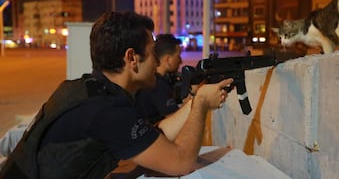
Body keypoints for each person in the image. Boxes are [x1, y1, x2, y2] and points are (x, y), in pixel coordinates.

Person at [0, 11, 232, 179]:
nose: (158, 62)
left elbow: (153, 137)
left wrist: (195, 98)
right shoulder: (106, 111)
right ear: (131, 58)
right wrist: (201, 104)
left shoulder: (86, 89)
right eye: (152, 54)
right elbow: (180, 163)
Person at [136, 33, 183, 124]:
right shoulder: (158, 84)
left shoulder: (150, 81)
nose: (181, 61)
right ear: (168, 59)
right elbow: (174, 120)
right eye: (178, 56)